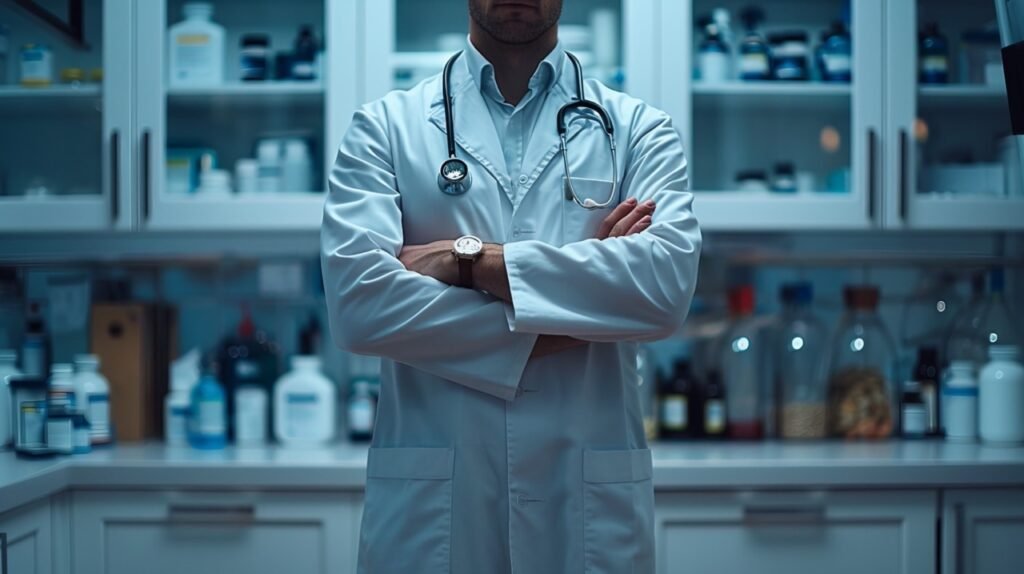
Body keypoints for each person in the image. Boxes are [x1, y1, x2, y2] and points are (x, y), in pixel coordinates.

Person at [320, 0, 701, 572]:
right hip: (437, 517)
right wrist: (585, 309)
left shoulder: (638, 130)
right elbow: (359, 305)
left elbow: (663, 290)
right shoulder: (385, 128)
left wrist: (465, 260)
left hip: (585, 511)